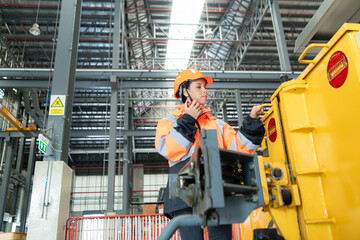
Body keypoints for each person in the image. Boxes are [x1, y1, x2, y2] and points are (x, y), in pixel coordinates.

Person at [155, 68, 265, 240]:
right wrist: (188, 120)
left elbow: (240, 148)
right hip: (184, 189)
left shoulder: (218, 124)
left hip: (217, 189)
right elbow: (171, 150)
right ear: (185, 91)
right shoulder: (169, 122)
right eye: (198, 87)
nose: (204, 91)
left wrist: (251, 121)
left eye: (204, 87)